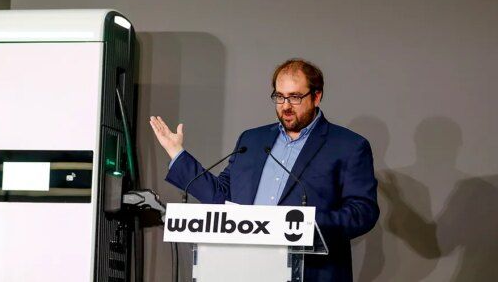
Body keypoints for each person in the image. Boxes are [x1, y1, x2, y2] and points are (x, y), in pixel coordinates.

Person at [150, 58, 379, 281]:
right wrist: (176, 152)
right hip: (245, 270)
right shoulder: (252, 140)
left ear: (316, 96)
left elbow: (363, 212)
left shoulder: (348, 146)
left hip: (312, 272)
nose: (285, 106)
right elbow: (222, 195)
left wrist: (305, 224)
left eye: (295, 97)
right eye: (279, 97)